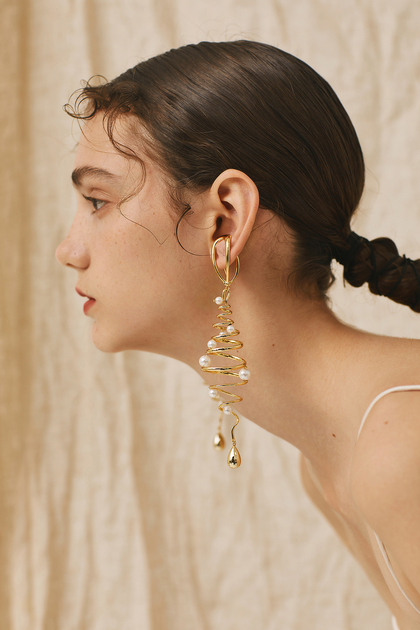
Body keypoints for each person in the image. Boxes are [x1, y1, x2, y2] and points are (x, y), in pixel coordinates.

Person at [55, 41, 420, 630]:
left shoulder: (402, 446)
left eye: (98, 200)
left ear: (224, 218)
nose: (68, 250)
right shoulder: (330, 462)